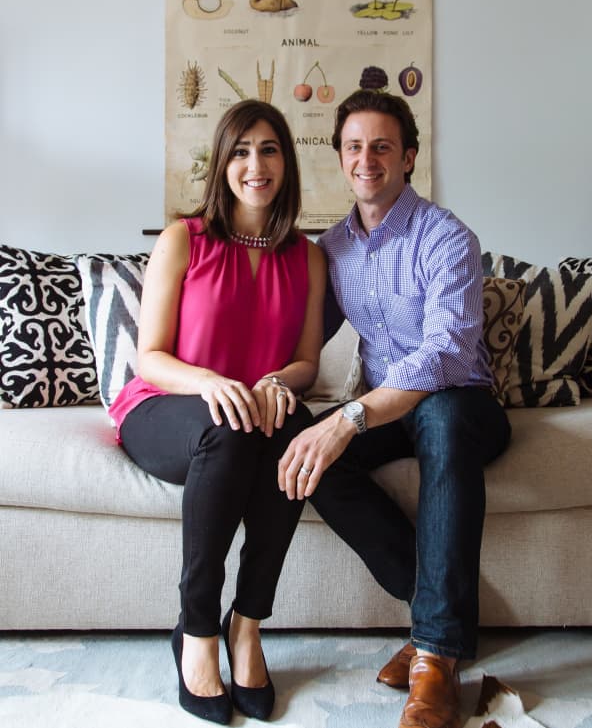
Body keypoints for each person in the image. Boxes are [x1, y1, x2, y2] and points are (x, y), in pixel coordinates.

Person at [278, 89, 511, 728]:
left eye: (382, 146)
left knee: (442, 416)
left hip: (464, 405)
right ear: (340, 158)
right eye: (354, 146)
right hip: (389, 409)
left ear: (408, 156)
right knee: (310, 456)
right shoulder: (332, 251)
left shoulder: (448, 238)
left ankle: (434, 658)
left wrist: (350, 417)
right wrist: (260, 379)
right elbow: (302, 342)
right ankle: (439, 613)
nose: (367, 159)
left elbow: (444, 355)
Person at [109, 100, 326, 725]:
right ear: (222, 163)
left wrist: (280, 381)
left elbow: (308, 361)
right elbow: (149, 357)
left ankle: (248, 624)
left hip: (252, 412)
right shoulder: (185, 239)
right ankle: (198, 629)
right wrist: (209, 382)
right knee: (227, 428)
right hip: (166, 408)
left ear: (286, 161)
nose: (255, 165)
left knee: (296, 431)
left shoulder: (306, 257)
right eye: (240, 151)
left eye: (269, 149)